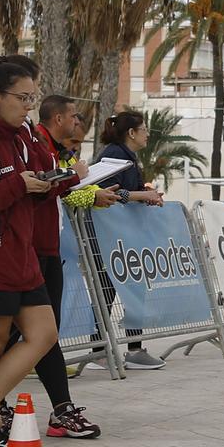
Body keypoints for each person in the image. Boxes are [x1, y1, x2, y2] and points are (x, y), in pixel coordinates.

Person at [0, 59, 59, 447]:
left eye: (33, 97)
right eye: (22, 97)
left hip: (23, 254)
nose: (28, 105)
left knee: (44, 332)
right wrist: (19, 184)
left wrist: (49, 182)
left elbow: (42, 175)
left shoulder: (24, 135)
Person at [27, 90, 108, 439]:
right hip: (28, 253)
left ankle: (61, 411)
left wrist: (111, 194)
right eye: (74, 116)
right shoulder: (33, 142)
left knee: (45, 335)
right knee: (31, 335)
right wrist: (74, 175)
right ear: (58, 118)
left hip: (47, 250)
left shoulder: (56, 150)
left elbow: (64, 191)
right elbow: (41, 184)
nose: (79, 122)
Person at [90, 111, 169, 371]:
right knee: (107, 291)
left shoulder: (125, 155)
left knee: (130, 289)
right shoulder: (114, 154)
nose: (148, 134)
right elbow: (113, 193)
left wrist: (144, 193)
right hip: (111, 236)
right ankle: (99, 350)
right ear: (131, 133)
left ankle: (132, 348)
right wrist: (142, 195)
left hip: (124, 237)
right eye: (144, 129)